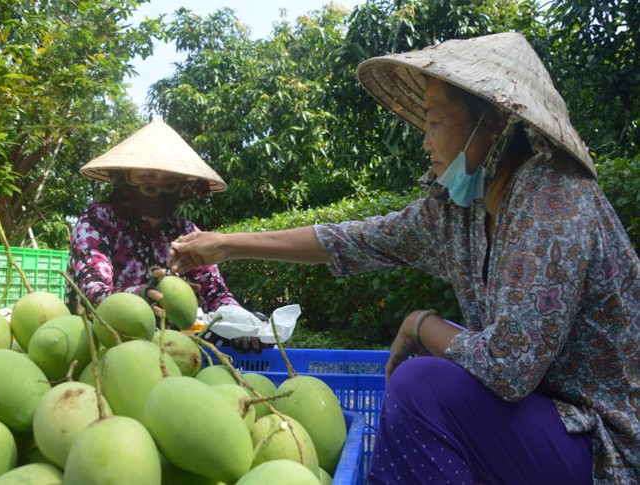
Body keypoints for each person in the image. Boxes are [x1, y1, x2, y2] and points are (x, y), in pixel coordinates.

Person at [167, 32, 639, 484]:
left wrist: (419, 323)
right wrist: (227, 244)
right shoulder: (460, 214)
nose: (425, 140)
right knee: (432, 381)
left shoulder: (553, 198)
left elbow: (508, 366)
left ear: (492, 122)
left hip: (603, 447)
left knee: (422, 385)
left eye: (434, 120)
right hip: (540, 426)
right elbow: (349, 238)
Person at [65, 120, 265, 352]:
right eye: (148, 178)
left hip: (169, 351)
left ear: (185, 188)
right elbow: (92, 295)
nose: (159, 188)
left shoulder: (186, 234)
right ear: (124, 177)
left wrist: (239, 323)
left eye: (171, 182)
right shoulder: (99, 221)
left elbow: (216, 293)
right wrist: (143, 294)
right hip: (101, 347)